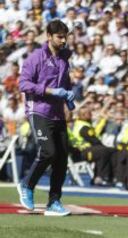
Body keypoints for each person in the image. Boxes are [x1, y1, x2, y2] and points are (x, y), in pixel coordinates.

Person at [17, 20, 75, 216]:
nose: (63, 40)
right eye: (59, 36)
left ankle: (54, 201)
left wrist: (69, 95)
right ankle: (26, 184)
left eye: (65, 36)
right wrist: (50, 91)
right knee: (49, 152)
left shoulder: (65, 58)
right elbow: (23, 84)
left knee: (62, 158)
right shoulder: (36, 57)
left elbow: (65, 83)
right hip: (38, 111)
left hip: (58, 114)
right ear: (49, 36)